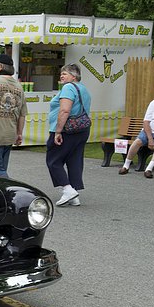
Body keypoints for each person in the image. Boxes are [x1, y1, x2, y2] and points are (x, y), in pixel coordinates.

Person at [46, 64, 92, 206]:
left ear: (74, 76)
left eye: (65, 73)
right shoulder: (84, 89)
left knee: (53, 160)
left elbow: (65, 110)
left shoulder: (68, 88)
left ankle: (67, 189)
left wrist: (58, 131)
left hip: (67, 129)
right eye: (61, 73)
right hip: (82, 129)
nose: (61, 76)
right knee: (74, 160)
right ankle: (74, 193)